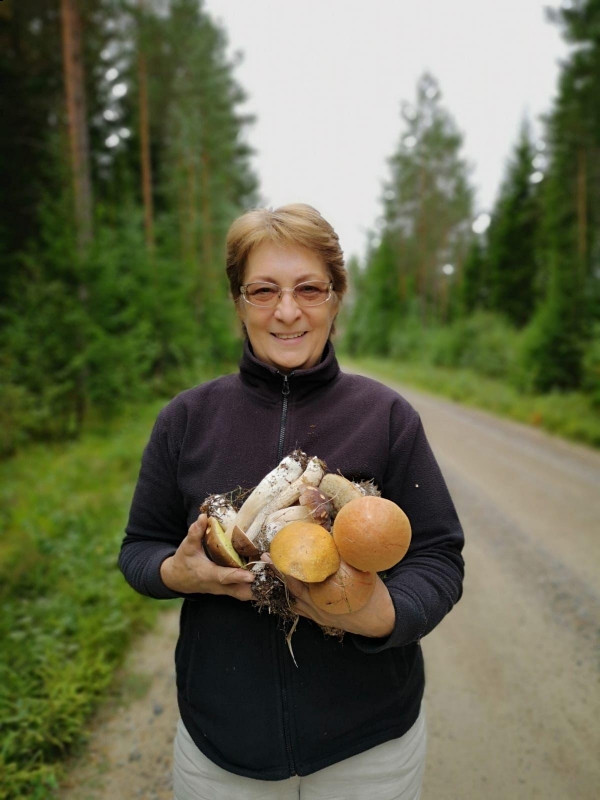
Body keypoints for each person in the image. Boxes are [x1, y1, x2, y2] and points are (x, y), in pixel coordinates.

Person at [119, 203, 465, 800]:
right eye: (263, 290)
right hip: (221, 746)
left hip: (370, 747)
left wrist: (385, 617)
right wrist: (177, 573)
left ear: (336, 298)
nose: (287, 310)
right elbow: (138, 551)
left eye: (310, 288)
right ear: (238, 301)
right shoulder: (187, 419)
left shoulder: (385, 417)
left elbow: (438, 558)